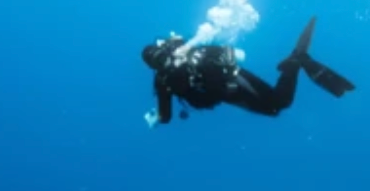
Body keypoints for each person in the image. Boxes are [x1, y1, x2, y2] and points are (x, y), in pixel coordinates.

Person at [140, 16, 355, 127]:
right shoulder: (184, 52)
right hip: (235, 74)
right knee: (277, 104)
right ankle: (295, 61)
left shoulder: (162, 80)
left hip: (230, 92)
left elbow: (166, 117)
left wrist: (155, 119)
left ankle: (295, 62)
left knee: (276, 107)